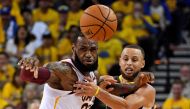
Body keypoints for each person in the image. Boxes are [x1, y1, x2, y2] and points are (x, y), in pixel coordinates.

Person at [18, 34, 154, 109]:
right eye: (83, 49)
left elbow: (114, 89)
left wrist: (136, 85)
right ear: (73, 49)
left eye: (93, 49)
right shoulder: (63, 70)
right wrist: (28, 67)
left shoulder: (92, 75)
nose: (88, 54)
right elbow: (29, 76)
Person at [74, 45, 156, 109]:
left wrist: (98, 92)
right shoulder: (109, 81)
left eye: (134, 60)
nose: (129, 63)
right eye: (125, 59)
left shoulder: (148, 90)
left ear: (143, 63)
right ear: (120, 61)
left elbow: (126, 107)